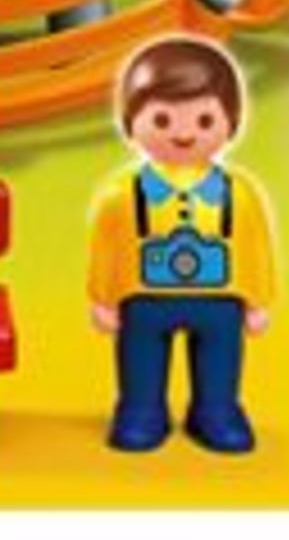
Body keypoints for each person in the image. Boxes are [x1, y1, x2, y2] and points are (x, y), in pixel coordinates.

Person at [87, 36, 278, 455]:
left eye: (205, 120)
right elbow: (105, 248)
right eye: (162, 120)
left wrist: (258, 301)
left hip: (220, 299)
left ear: (232, 121)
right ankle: (141, 409)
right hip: (143, 297)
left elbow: (256, 247)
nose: (185, 133)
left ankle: (216, 410)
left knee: (220, 364)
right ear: (130, 121)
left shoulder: (239, 193)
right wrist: (103, 298)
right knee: (141, 363)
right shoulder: (123, 194)